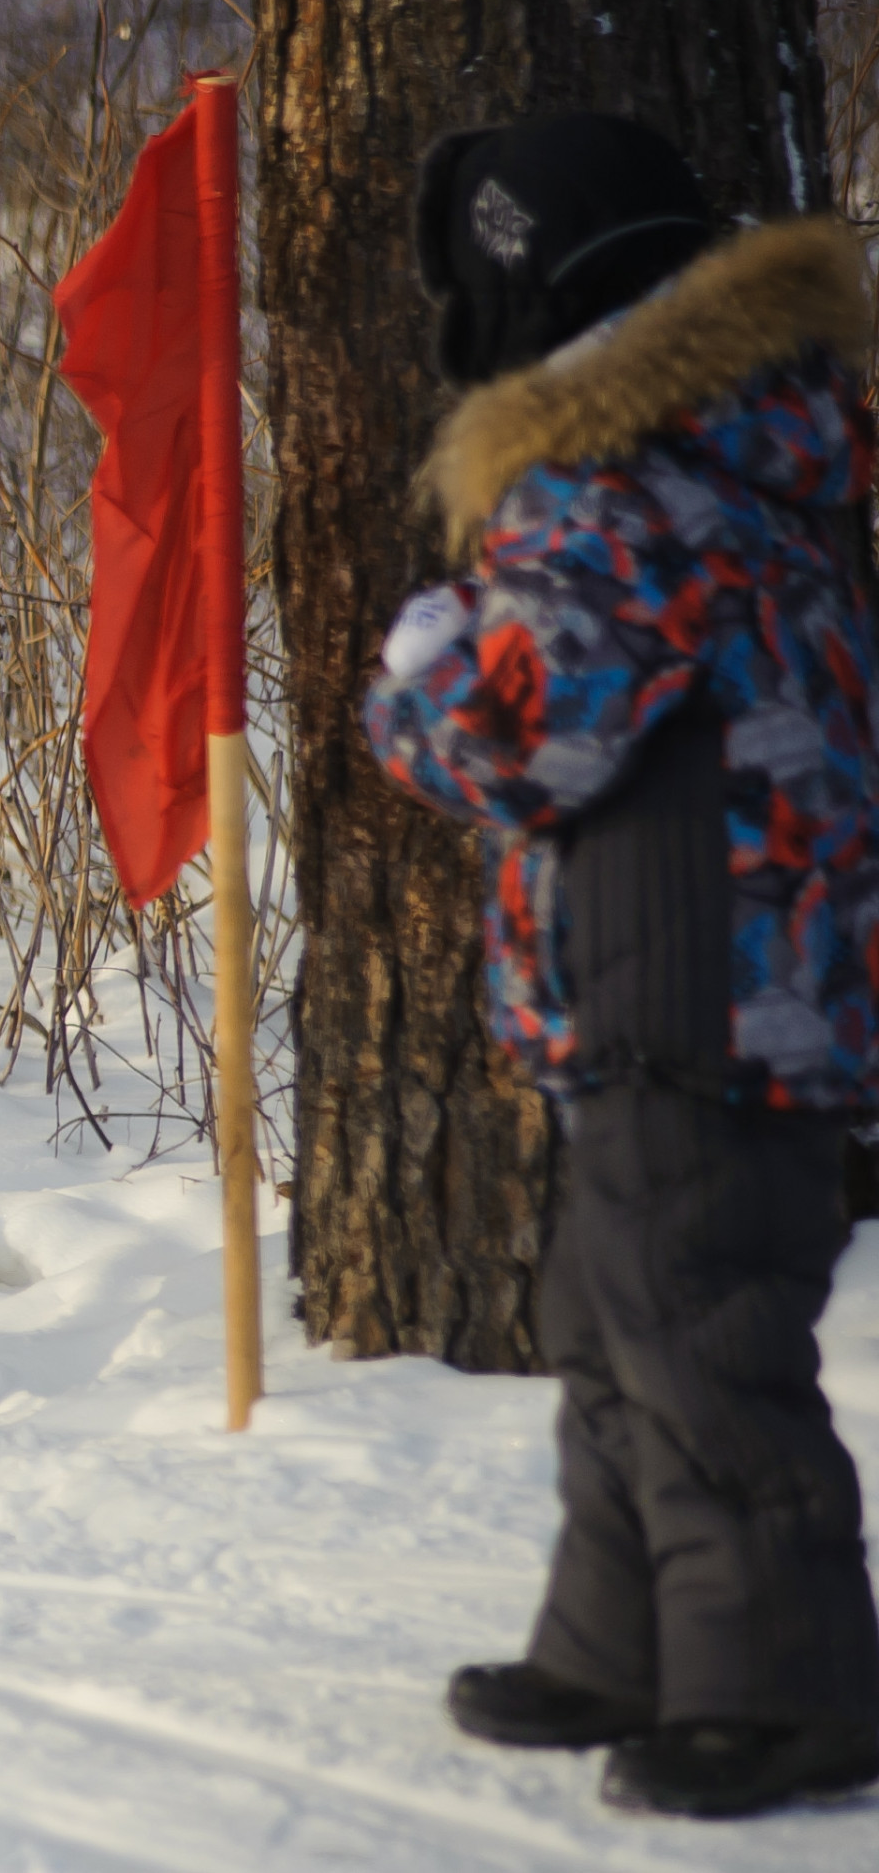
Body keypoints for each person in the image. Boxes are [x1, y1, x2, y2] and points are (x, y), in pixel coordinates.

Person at [365, 112, 879, 1818]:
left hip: (701, 1002)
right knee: (617, 1323)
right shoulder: (729, 454)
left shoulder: (625, 493)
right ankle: (626, 1637)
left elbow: (514, 735)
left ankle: (787, 1680)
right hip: (706, 982)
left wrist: (424, 651)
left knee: (698, 1340)